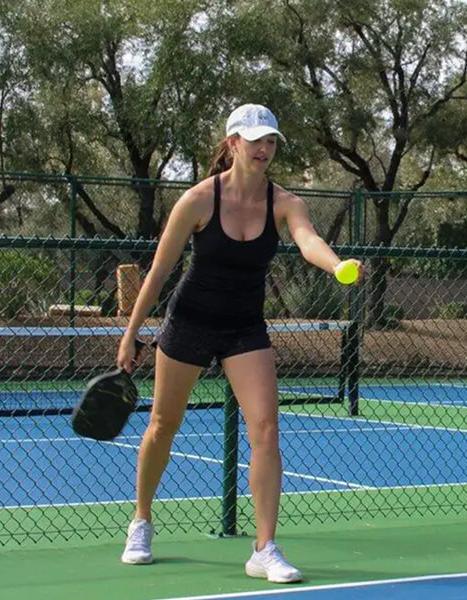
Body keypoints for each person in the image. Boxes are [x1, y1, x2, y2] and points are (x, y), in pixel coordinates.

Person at [115, 103, 363, 583]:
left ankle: (264, 549)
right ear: (232, 144)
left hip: (244, 327)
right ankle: (141, 521)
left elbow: (307, 239)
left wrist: (335, 265)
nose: (264, 149)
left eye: (271, 141)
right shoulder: (197, 201)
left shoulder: (286, 202)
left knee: (266, 429)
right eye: (255, 141)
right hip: (189, 321)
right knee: (163, 424)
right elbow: (159, 273)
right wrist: (131, 335)